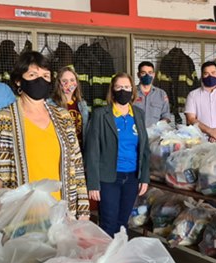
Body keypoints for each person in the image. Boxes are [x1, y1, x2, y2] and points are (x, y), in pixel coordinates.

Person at [0, 51, 89, 220]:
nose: (40, 80)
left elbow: (77, 165)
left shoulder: (63, 118)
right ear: (19, 80)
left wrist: (84, 211)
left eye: (45, 75)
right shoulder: (4, 118)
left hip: (61, 212)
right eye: (33, 75)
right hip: (20, 215)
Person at [84, 72, 150, 237]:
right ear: (112, 90)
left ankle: (120, 258)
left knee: (123, 223)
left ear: (132, 90)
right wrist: (93, 183)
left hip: (132, 177)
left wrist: (144, 178)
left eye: (127, 87)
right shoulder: (101, 114)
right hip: (109, 178)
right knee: (108, 222)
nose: (123, 91)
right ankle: (106, 259)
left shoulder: (138, 114)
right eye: (119, 87)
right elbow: (92, 150)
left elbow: (145, 149)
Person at [48, 66, 89, 148]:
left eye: (72, 80)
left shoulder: (82, 104)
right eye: (64, 81)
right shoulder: (51, 104)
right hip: (62, 149)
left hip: (80, 149)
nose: (69, 84)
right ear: (59, 84)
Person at [133, 61, 171, 128]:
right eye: (143, 73)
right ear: (138, 75)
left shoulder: (161, 94)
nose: (147, 75)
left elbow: (166, 115)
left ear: (153, 75)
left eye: (150, 73)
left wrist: (159, 126)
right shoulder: (131, 93)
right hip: (135, 133)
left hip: (155, 135)